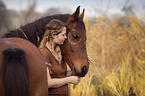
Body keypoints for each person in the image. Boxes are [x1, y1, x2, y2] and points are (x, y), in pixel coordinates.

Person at [39, 19, 80, 96]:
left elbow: (60, 75)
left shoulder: (58, 51)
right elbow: (48, 82)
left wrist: (76, 70)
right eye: (63, 35)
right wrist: (69, 80)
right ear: (54, 35)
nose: (65, 37)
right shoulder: (44, 53)